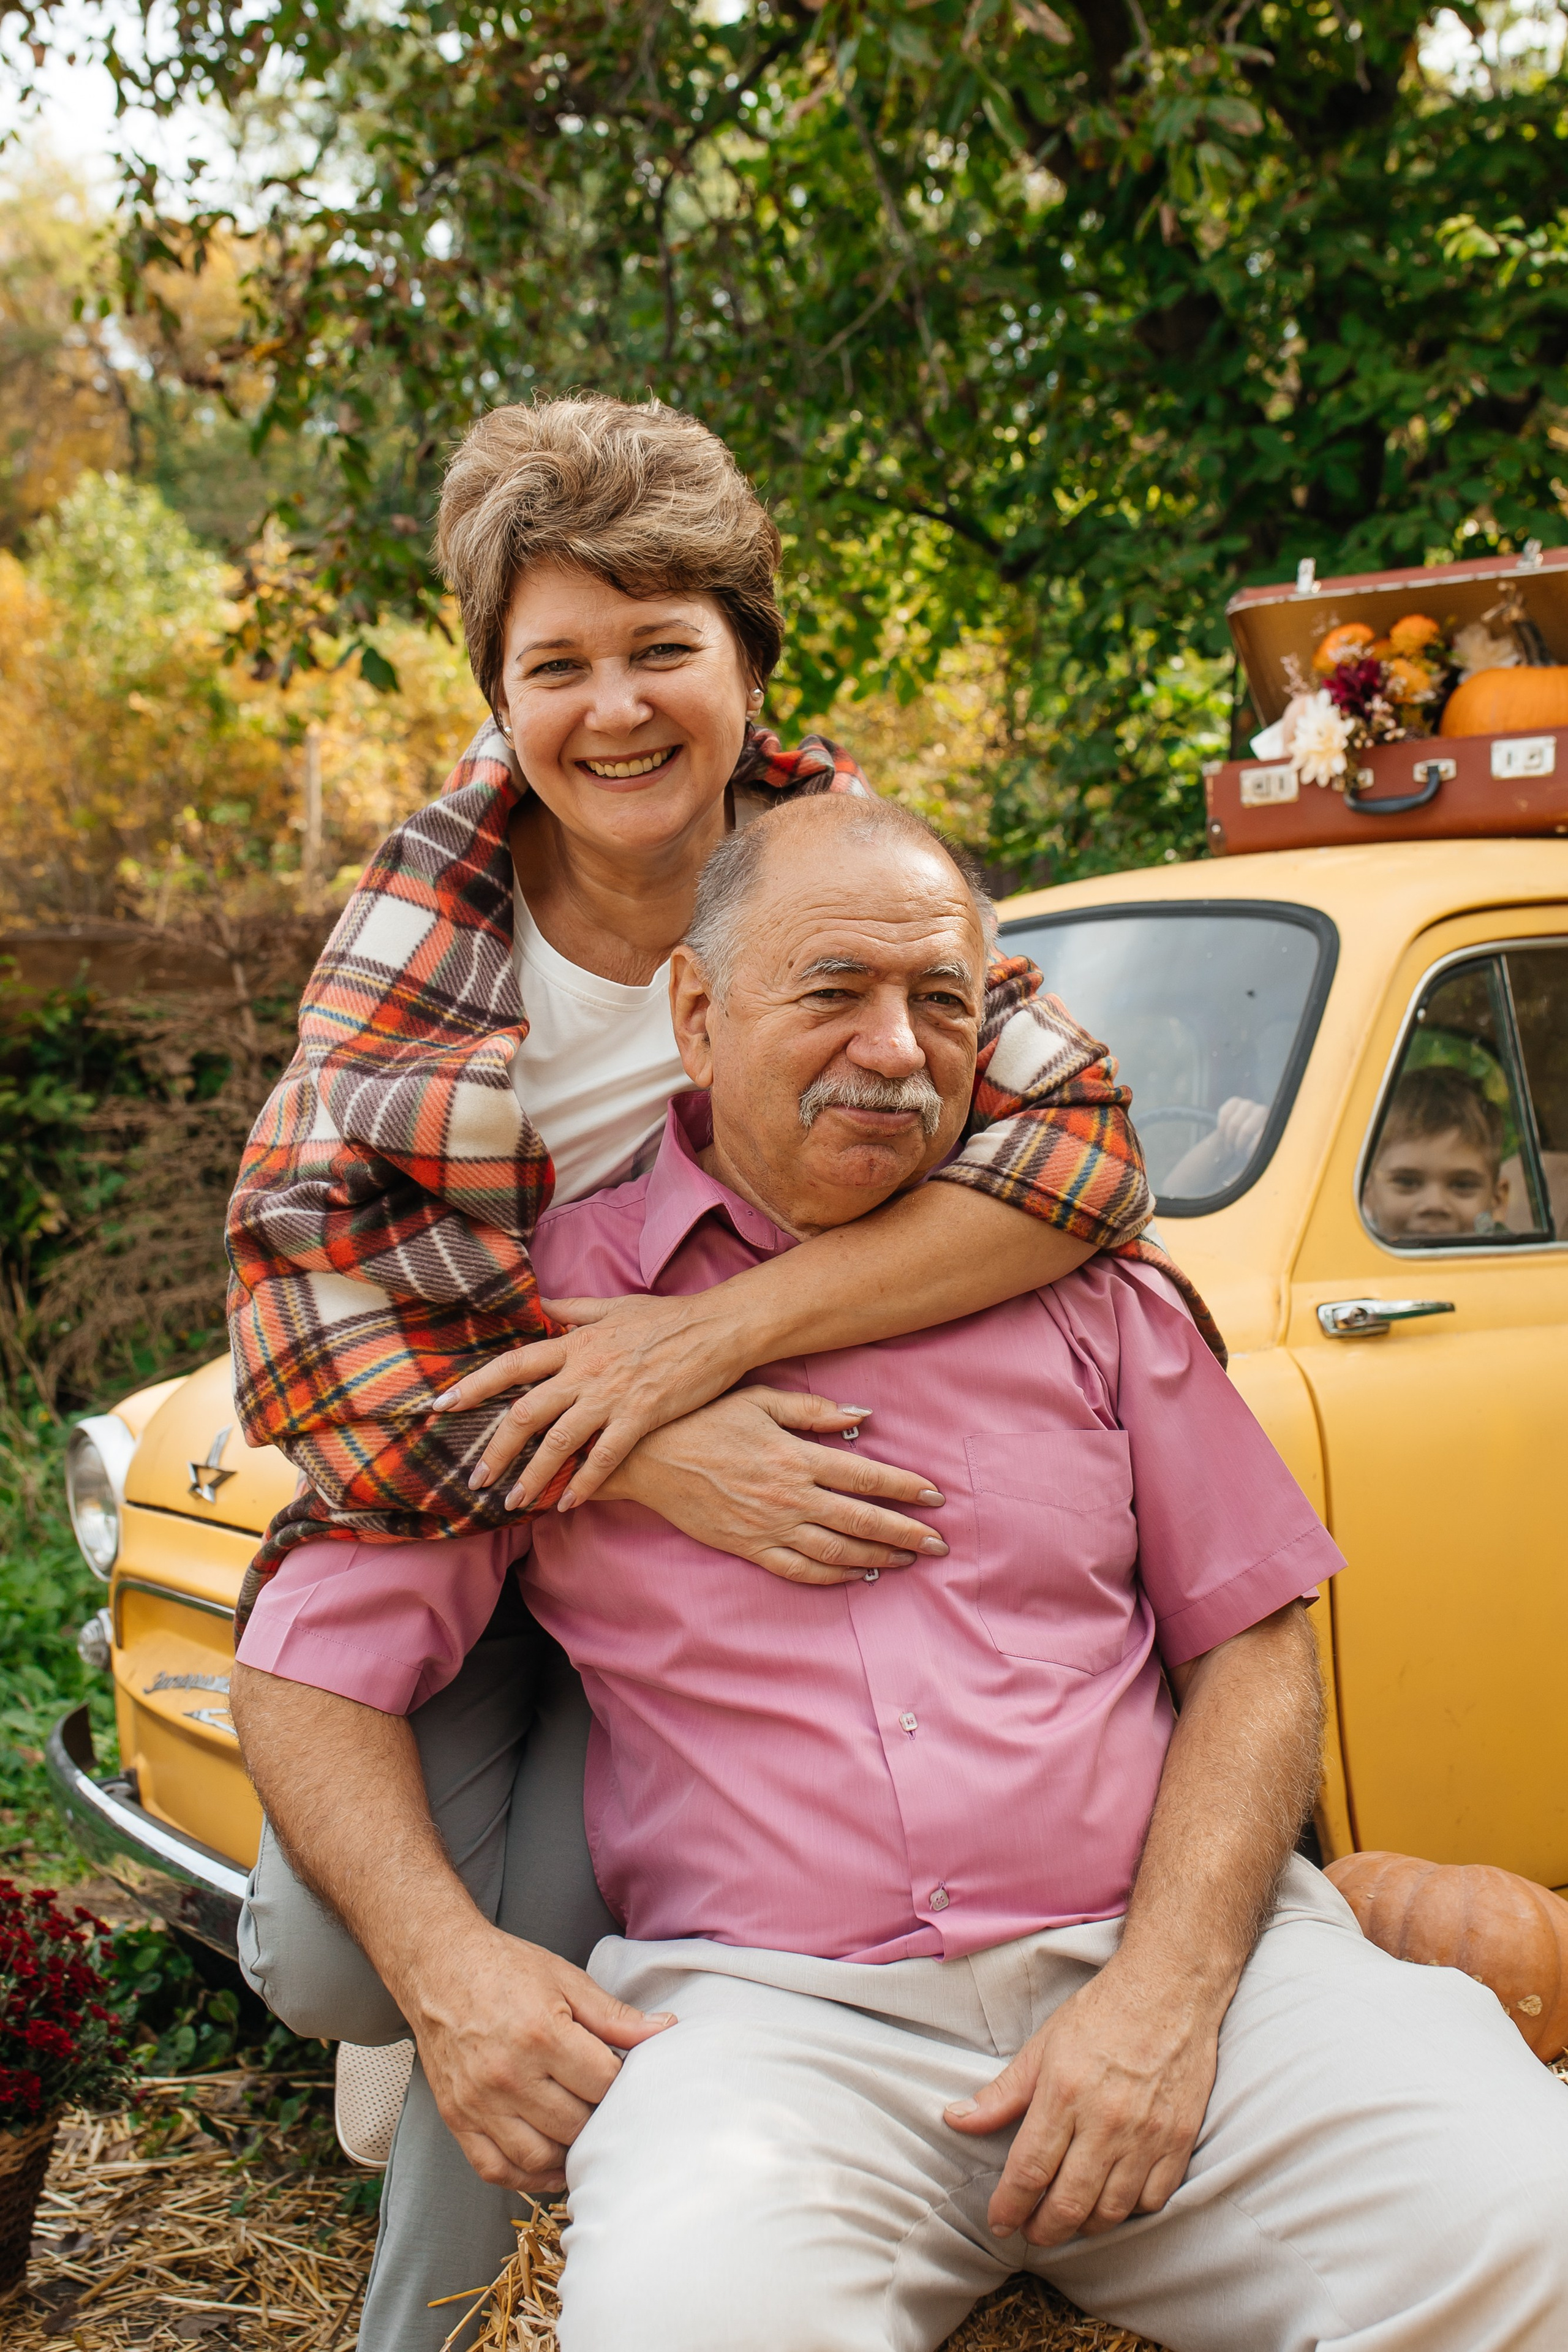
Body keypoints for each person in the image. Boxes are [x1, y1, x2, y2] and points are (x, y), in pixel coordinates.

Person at [235, 794, 1568, 2352]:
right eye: (832, 990)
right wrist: (447, 1966)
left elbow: (1257, 1648)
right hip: (774, 2026)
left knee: (1526, 2218)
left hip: (1196, 1972)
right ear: (693, 1013)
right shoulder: (549, 1322)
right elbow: (305, 1670)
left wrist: (1163, 1992)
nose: (894, 1047)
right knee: (686, 2322)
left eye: (942, 1000)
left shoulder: (1084, 1281)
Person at [225, 394, 1189, 2346]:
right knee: (335, 1952)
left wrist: (712, 1332)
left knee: (545, 1956)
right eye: (553, 663)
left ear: (750, 662)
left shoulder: (848, 891)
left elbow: (1082, 1161)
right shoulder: (427, 926)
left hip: (732, 1562)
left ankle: (425, 2327)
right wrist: (633, 1437)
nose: (615, 708)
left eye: (663, 646)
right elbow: (305, 1326)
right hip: (481, 1496)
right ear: (495, 692)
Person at [1361, 1064, 1510, 1240]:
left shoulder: (1515, 1265)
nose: (1434, 1205)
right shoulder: (1341, 1263)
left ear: (1498, 1200)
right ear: (1366, 1192)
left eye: (1463, 1185)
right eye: (1406, 1182)